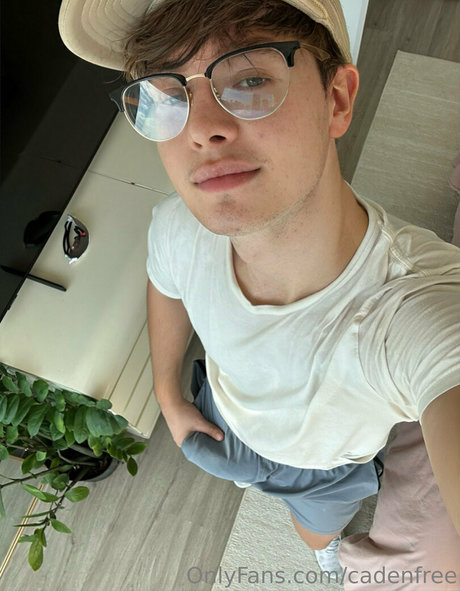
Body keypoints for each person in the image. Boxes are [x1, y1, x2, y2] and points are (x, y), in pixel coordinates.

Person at [58, 0, 460, 579]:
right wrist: (168, 392)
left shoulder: (412, 307)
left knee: (315, 526)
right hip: (224, 420)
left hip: (324, 466)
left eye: (248, 79)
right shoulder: (177, 226)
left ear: (336, 100)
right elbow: (165, 283)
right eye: (168, 96)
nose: (200, 130)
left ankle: (323, 546)